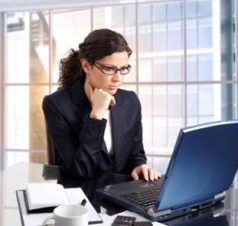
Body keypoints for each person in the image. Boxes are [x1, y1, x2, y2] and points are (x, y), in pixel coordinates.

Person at [42, 29, 160, 181]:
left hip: (120, 193)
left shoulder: (130, 101)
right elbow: (81, 171)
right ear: (86, 66)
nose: (118, 79)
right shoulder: (57, 105)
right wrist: (96, 116)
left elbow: (136, 154)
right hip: (81, 195)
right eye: (109, 69)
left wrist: (139, 165)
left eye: (123, 69)